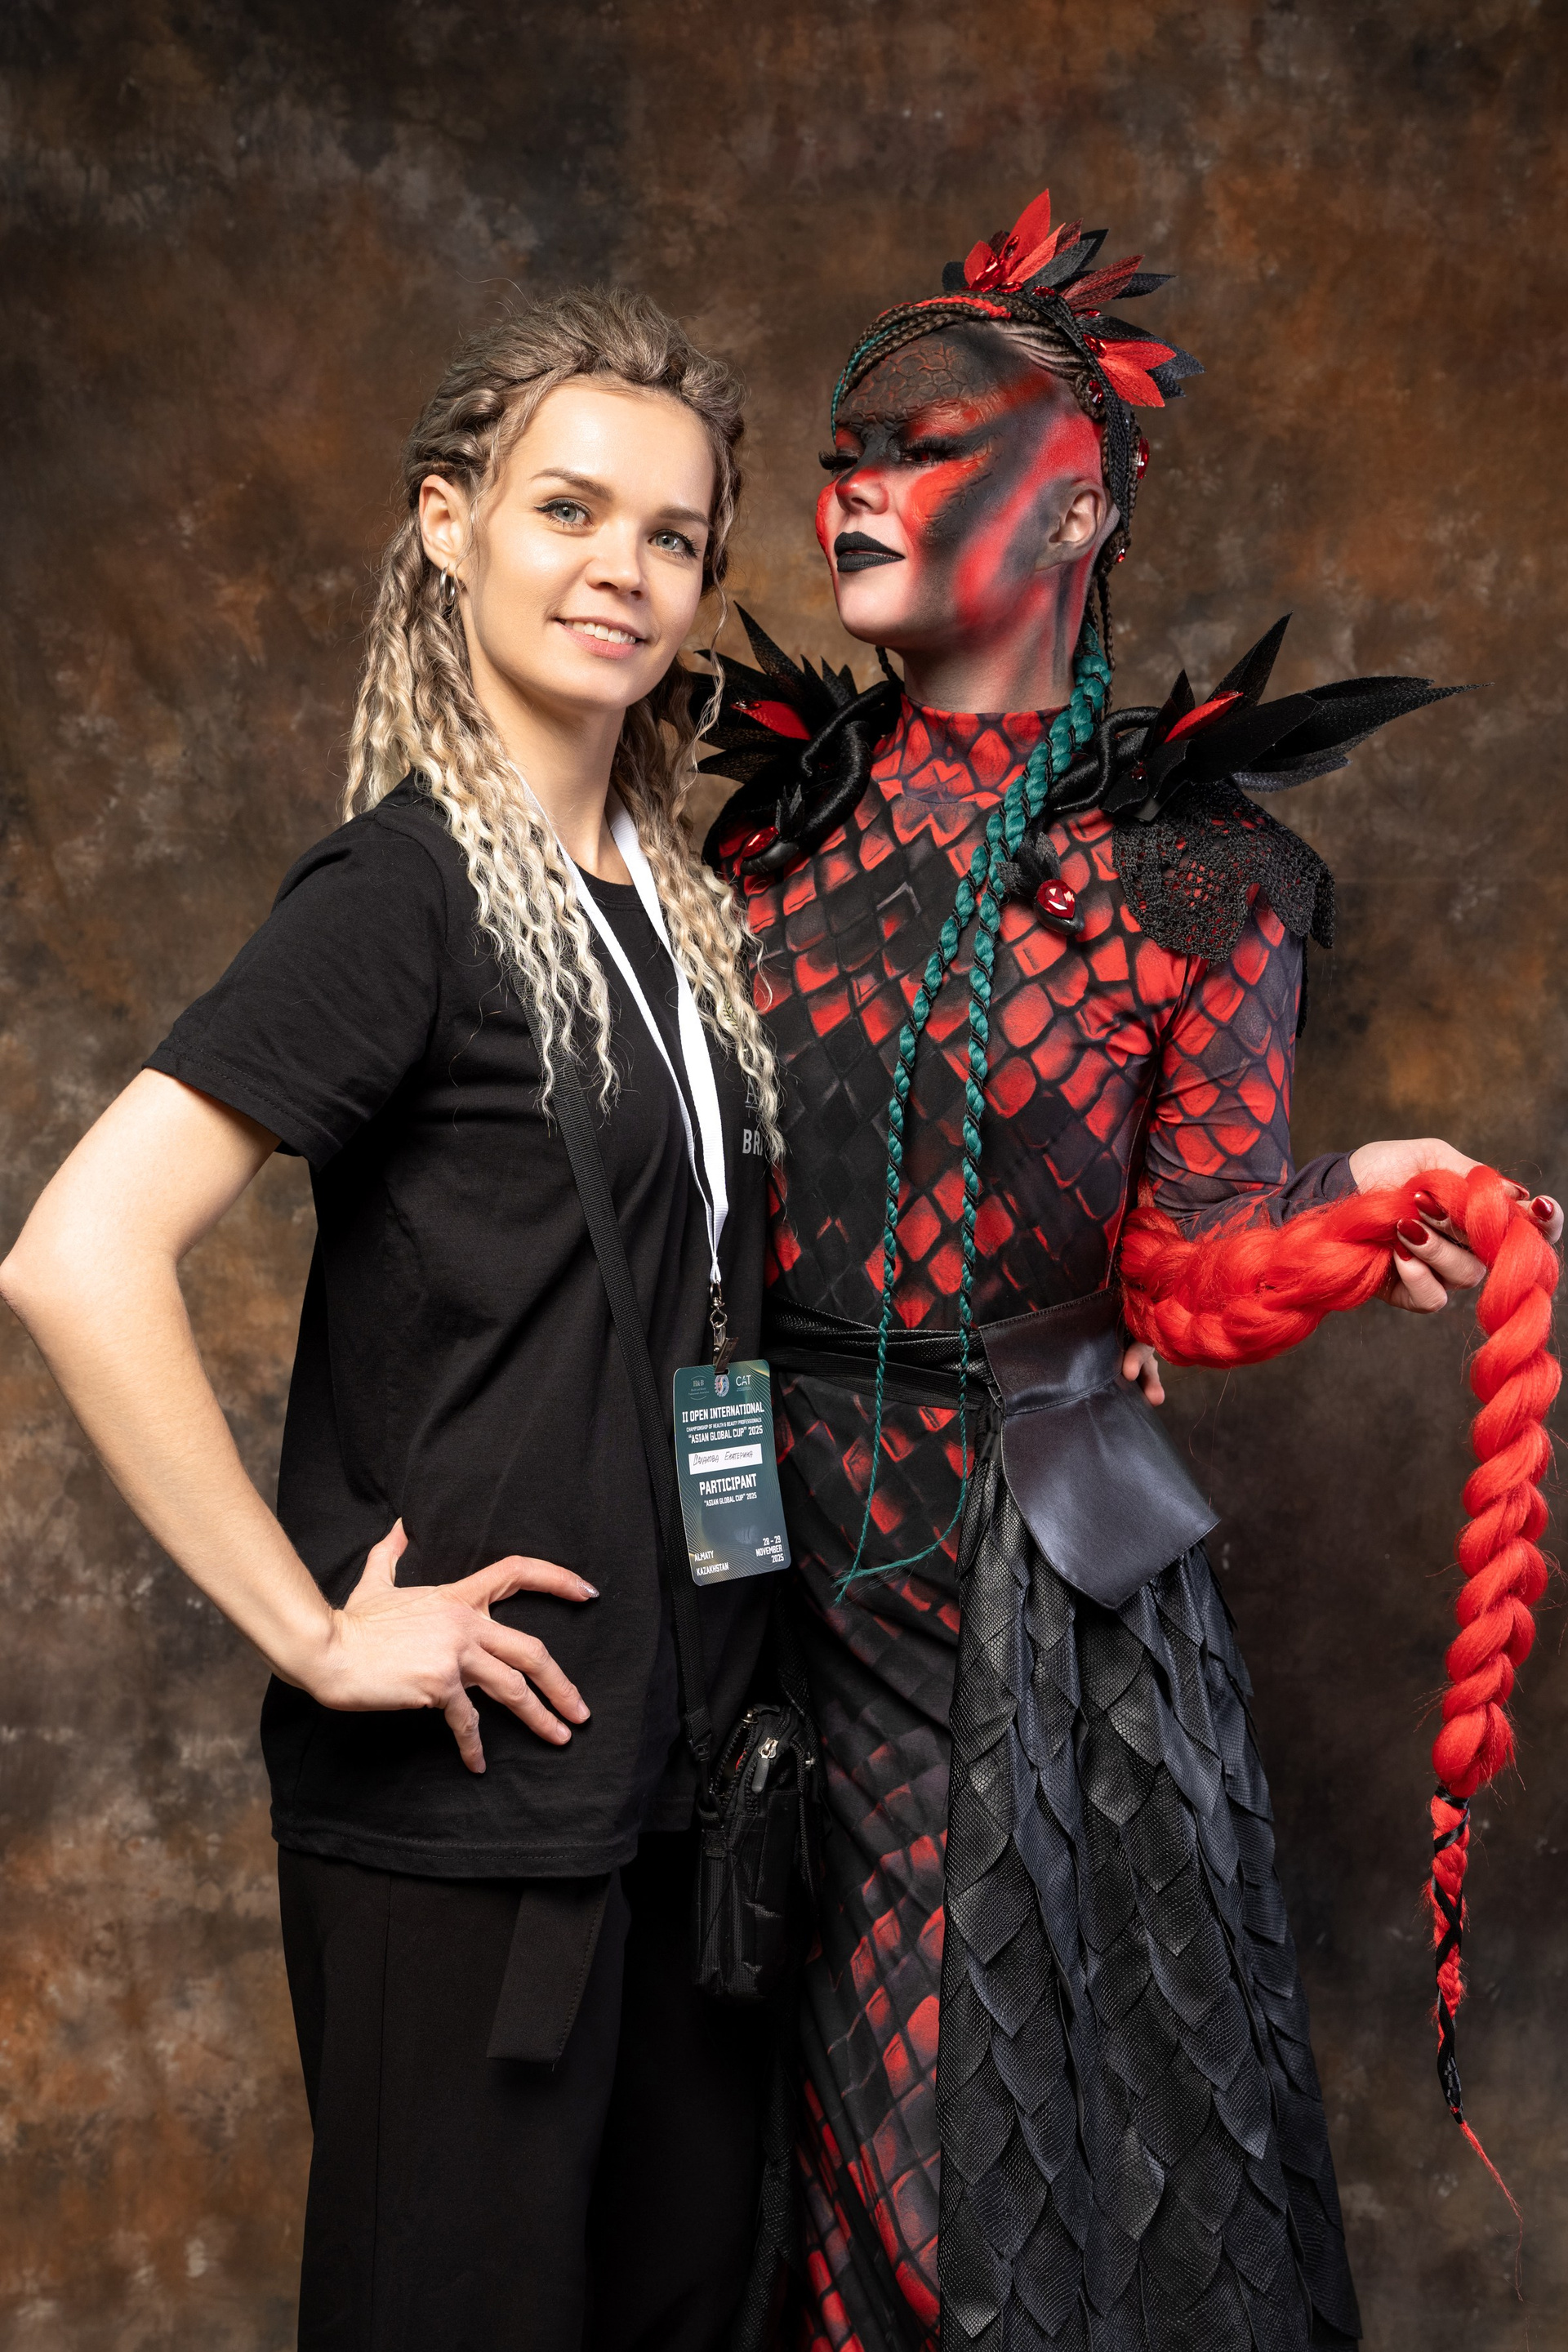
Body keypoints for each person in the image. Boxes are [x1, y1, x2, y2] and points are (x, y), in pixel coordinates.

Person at [700, 192, 1561, 2350]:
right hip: (756, 1562)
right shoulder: (759, 836)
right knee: (755, 2133)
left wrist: (1359, 1211)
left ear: (1076, 504)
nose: (855, 486)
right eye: (844, 450)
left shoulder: (1201, 878)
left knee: (1017, 2167)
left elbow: (1183, 1273)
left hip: (1032, 1594)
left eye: (925, 446)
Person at [1, 288, 784, 2351]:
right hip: (469, 1805)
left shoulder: (683, 913)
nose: (622, 570)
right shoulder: (404, 895)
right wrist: (317, 1629)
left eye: (674, 536)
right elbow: (77, 1254)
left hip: (690, 1794)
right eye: (567, 510)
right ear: (450, 524)